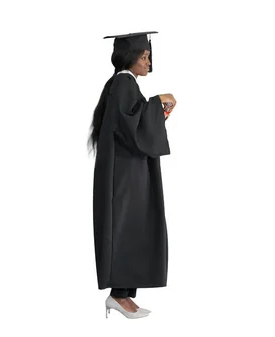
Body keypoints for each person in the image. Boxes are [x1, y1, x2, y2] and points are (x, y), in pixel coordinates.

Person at [88, 31, 176, 319]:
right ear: (130, 57)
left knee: (132, 227)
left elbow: (133, 123)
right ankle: (118, 295)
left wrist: (156, 111)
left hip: (127, 172)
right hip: (123, 177)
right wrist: (159, 100)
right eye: (144, 56)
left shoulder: (124, 84)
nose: (148, 61)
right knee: (125, 227)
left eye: (149, 55)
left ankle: (123, 294)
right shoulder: (123, 83)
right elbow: (132, 125)